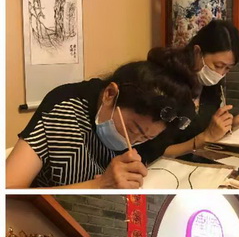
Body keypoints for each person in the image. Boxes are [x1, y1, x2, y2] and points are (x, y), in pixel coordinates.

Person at [6, 61, 196, 188]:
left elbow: (158, 151)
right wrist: (100, 184)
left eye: (146, 137)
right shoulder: (67, 108)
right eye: (132, 129)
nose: (133, 141)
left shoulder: (151, 128)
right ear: (110, 95)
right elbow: (9, 189)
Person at [140, 20, 239, 162]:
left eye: (227, 68)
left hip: (193, 165)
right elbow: (150, 151)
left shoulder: (210, 86)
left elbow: (205, 130)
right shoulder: (167, 82)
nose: (220, 74)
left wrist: (230, 125)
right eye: (218, 65)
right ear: (197, 52)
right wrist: (203, 139)